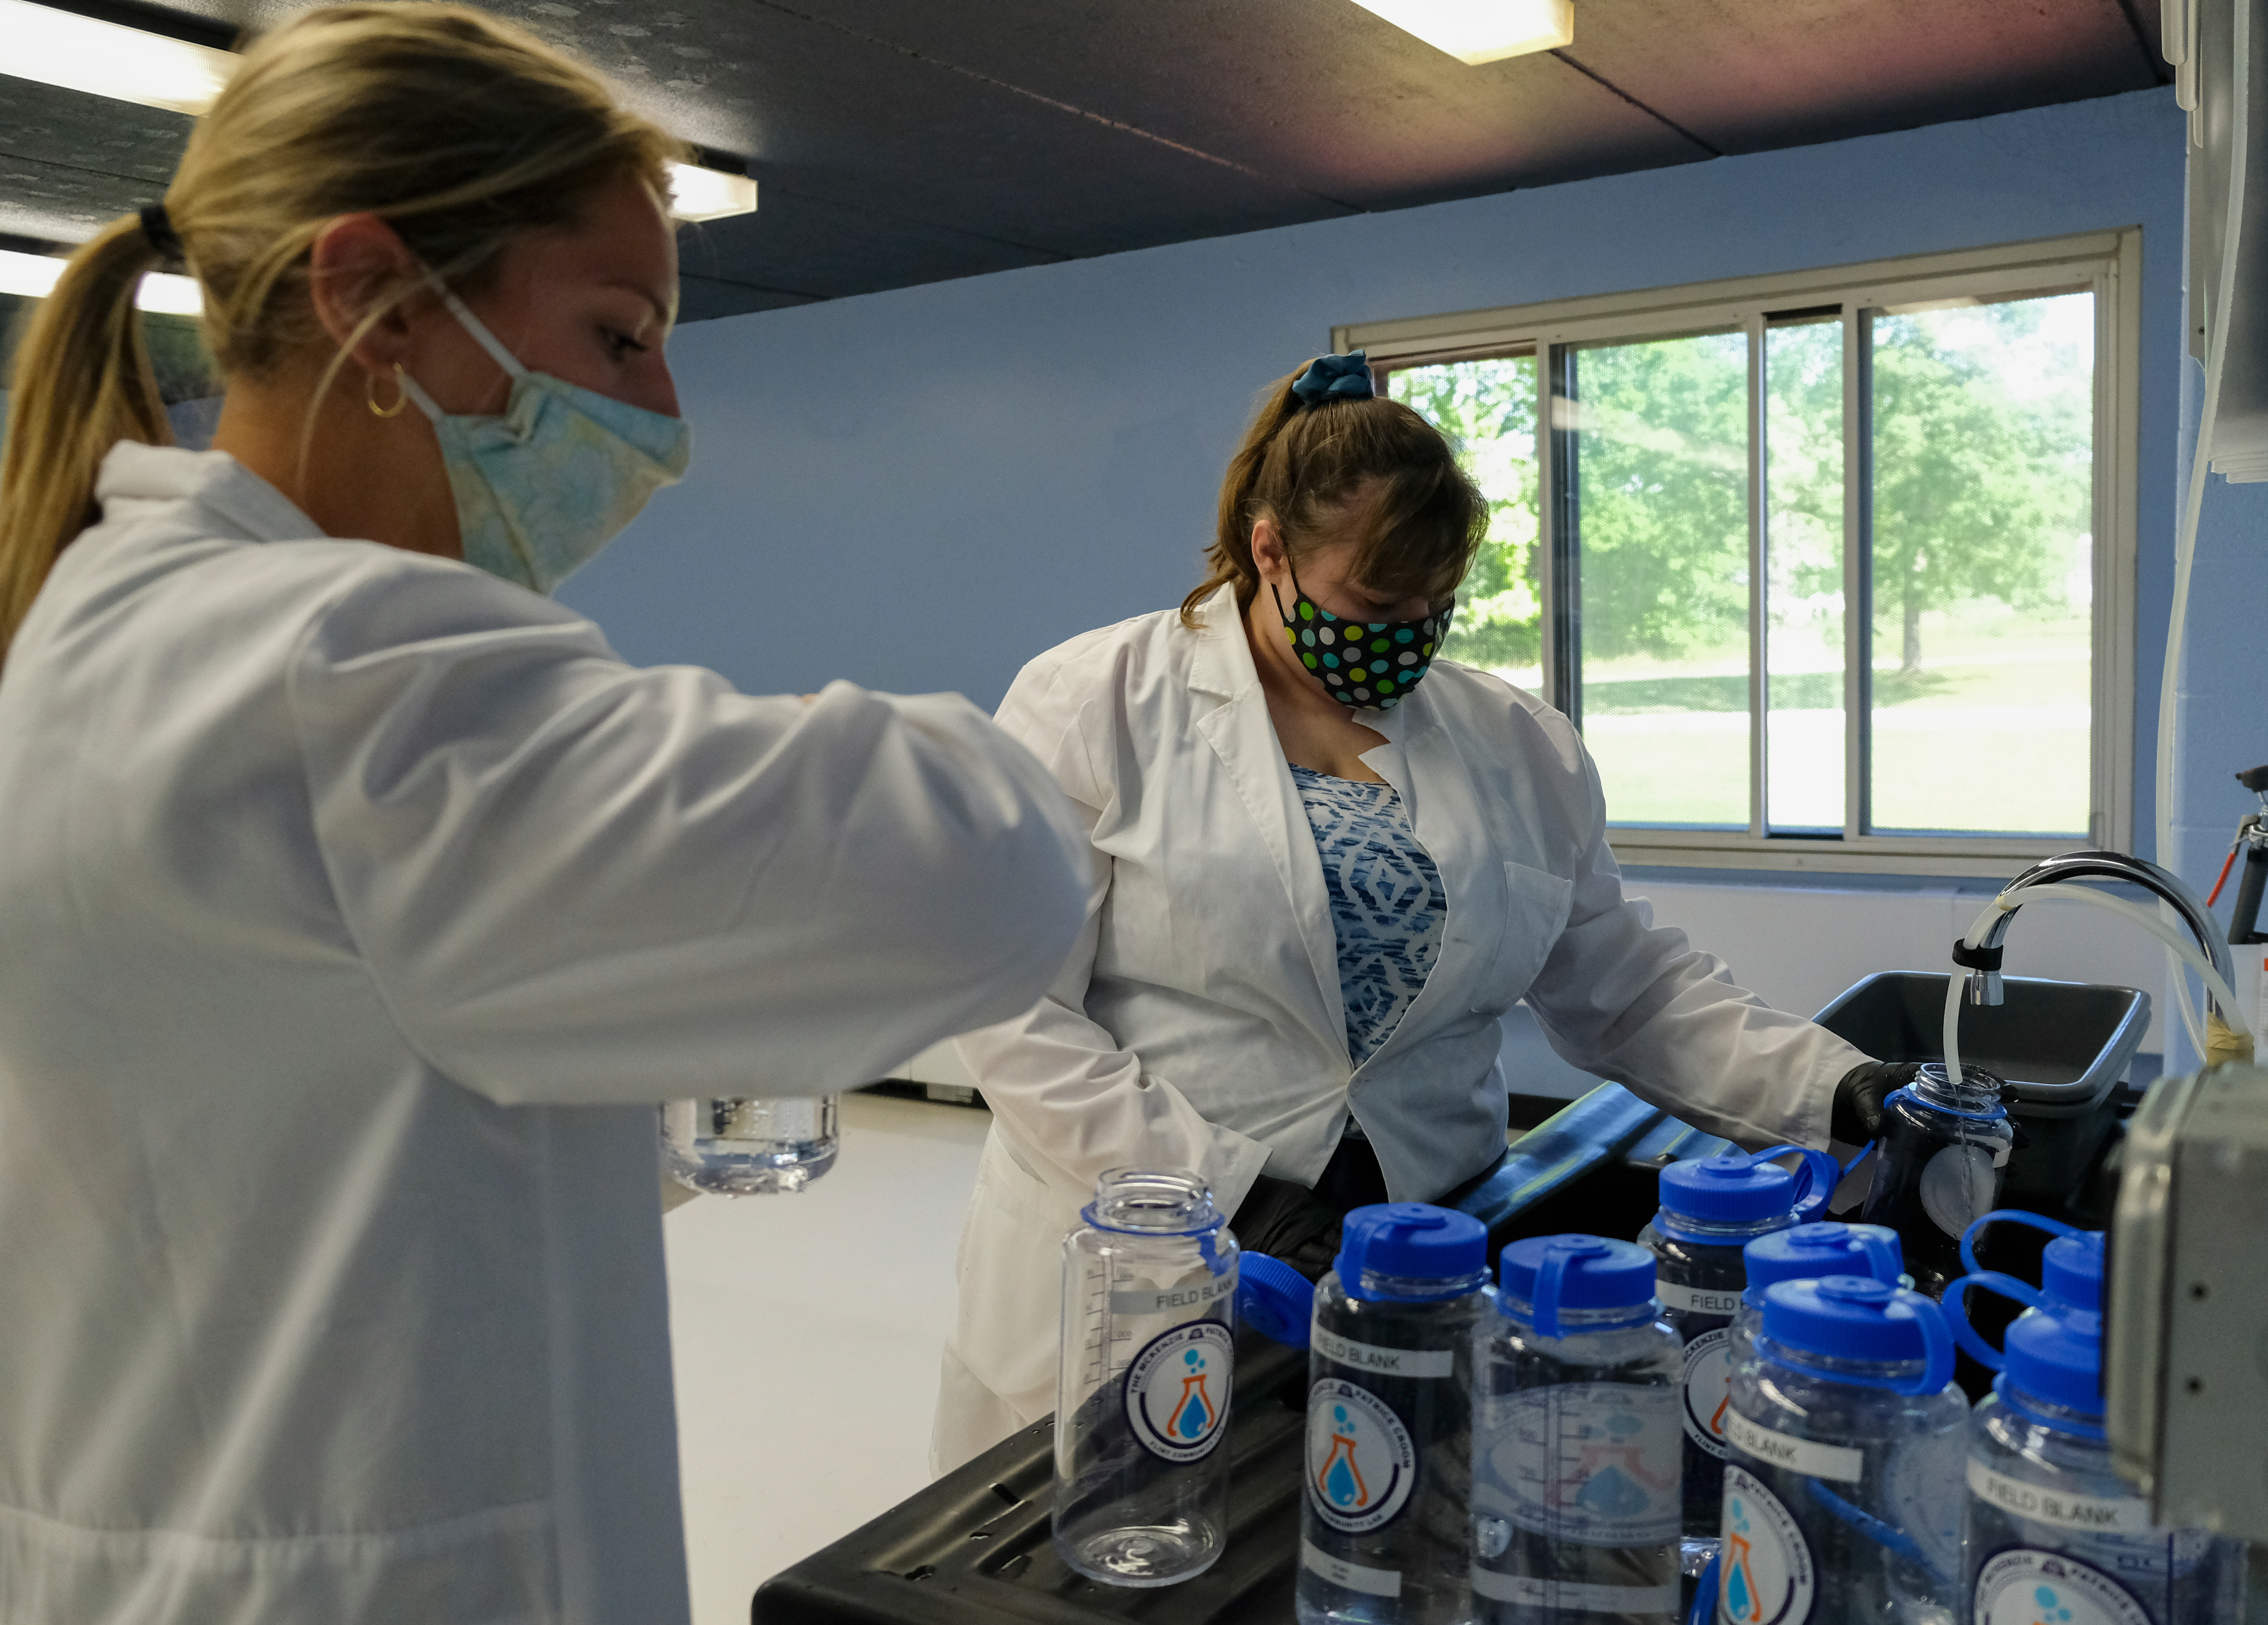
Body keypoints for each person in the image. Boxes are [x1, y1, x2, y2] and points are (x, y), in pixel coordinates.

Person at [0, 9, 1086, 1622]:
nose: (661, 417)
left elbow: (314, 1113)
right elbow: (984, 875)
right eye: (620, 335)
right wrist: (1057, 764)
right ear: (374, 299)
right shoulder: (338, 671)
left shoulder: (92, 633)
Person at [931, 353, 1913, 1471]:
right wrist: (1228, 1197)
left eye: (1434, 611)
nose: (1405, 636)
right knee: (1119, 1538)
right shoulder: (1094, 702)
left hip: (1424, 1253)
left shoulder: (1517, 748)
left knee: (1370, 1542)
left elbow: (1627, 989)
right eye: (1373, 607)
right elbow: (1011, 1007)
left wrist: (1839, 1088)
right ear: (1269, 551)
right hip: (1148, 1252)